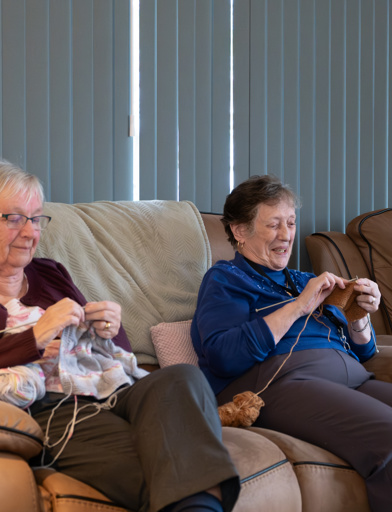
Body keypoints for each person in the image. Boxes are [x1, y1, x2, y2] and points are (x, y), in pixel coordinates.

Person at [0, 160, 240, 512]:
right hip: (60, 407)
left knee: (182, 377)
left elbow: (115, 350)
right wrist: (35, 335)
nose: (31, 232)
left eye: (37, 219)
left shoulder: (50, 273)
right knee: (166, 471)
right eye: (16, 218)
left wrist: (110, 328)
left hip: (116, 388)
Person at [191, 174, 392, 512]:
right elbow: (222, 355)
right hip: (282, 384)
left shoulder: (302, 280)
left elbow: (365, 351)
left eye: (291, 223)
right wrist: (299, 306)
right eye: (273, 225)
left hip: (353, 378)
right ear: (240, 231)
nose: (286, 235)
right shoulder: (226, 279)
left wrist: (359, 313)